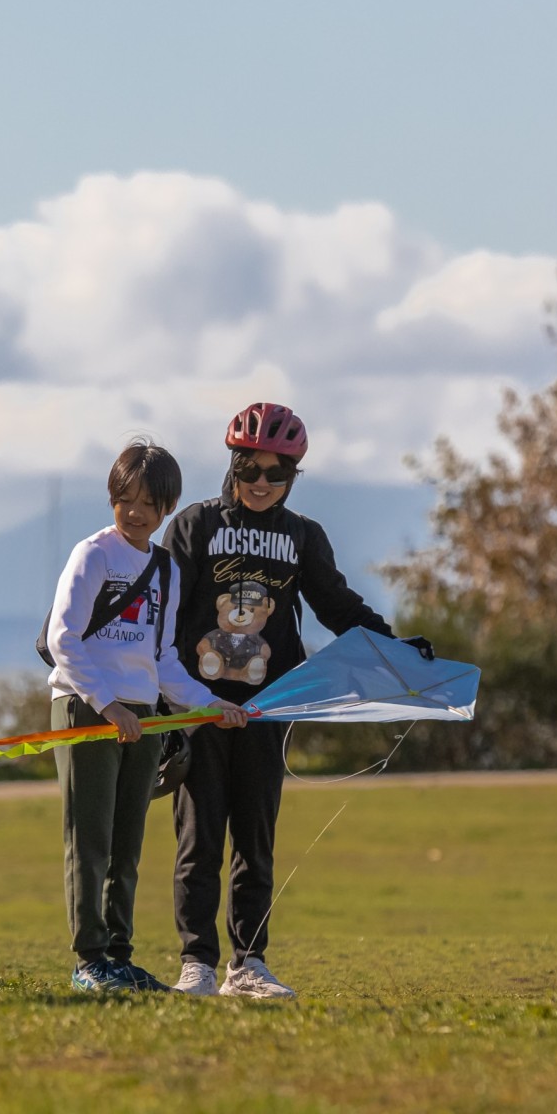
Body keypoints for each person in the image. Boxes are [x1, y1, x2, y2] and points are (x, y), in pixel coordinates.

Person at [164, 402, 431, 1000]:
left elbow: (338, 607)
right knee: (199, 842)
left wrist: (395, 648)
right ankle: (196, 965)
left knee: (254, 842)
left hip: (270, 708)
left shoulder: (303, 536)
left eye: (277, 473)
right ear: (232, 465)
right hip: (200, 709)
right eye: (249, 469)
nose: (261, 483)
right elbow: (165, 617)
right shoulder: (194, 525)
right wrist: (168, 701)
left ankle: (248, 966)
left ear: (293, 476)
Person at [45, 439, 247, 993]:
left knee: (126, 844)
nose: (134, 512)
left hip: (144, 718)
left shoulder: (165, 569)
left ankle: (119, 956)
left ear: (167, 507)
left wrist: (209, 706)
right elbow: (64, 639)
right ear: (112, 497)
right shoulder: (93, 554)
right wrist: (107, 706)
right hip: (87, 708)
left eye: (148, 503)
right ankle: (89, 962)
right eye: (125, 499)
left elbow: (163, 661)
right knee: (89, 840)